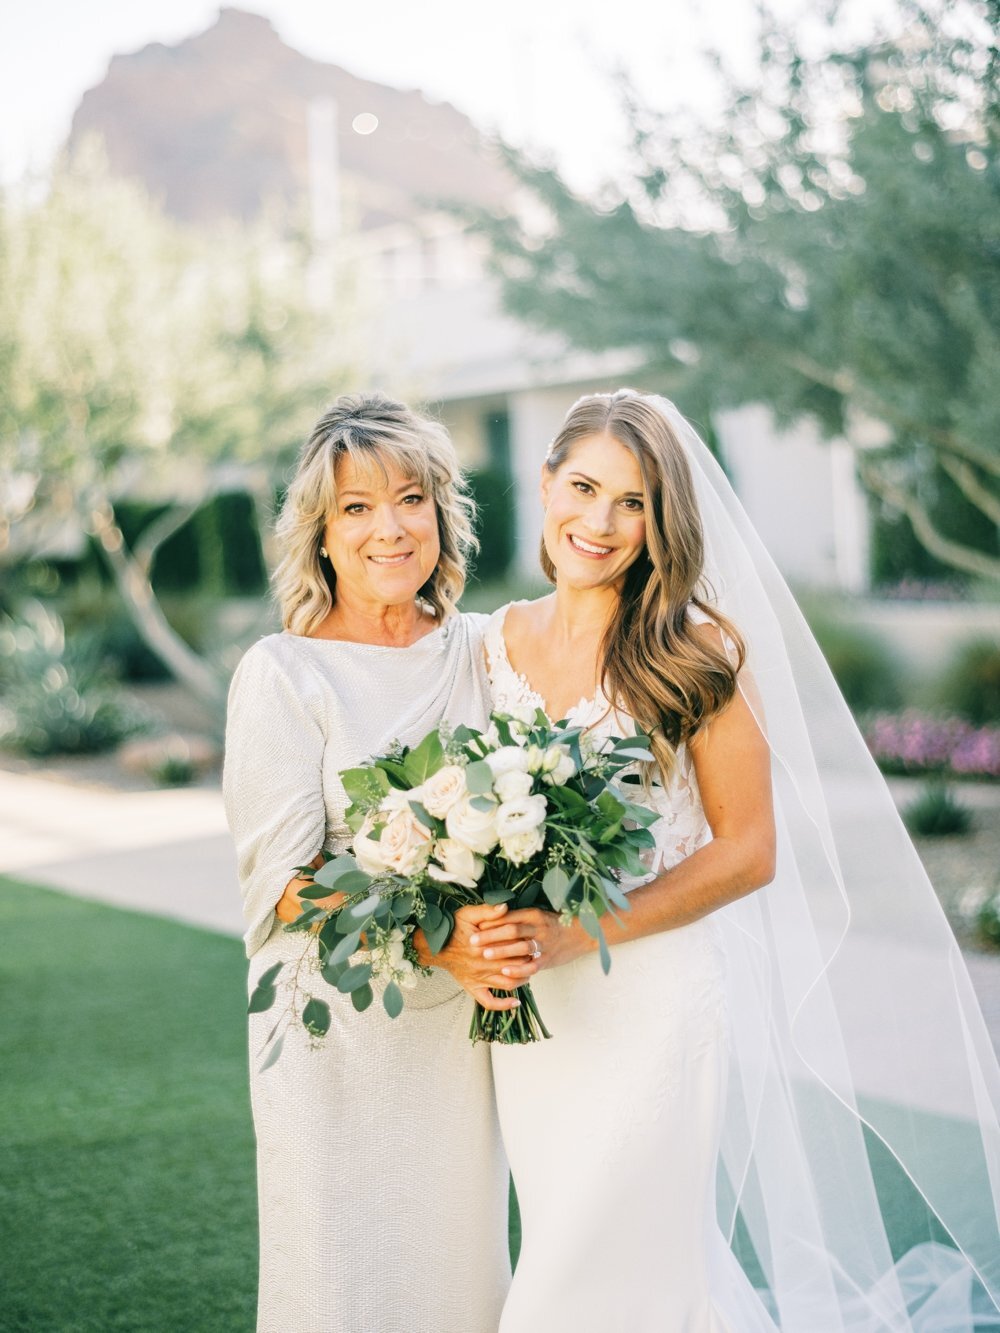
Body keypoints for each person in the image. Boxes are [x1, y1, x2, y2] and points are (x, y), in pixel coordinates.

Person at [472, 389, 1000, 1332]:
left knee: (593, 1273)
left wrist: (573, 932)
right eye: (584, 486)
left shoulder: (695, 652)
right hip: (535, 1019)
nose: (599, 521)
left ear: (663, 521)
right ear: (544, 482)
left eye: (632, 502)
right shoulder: (484, 645)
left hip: (652, 1003)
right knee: (568, 1242)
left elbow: (749, 851)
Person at [222, 392, 517, 1333]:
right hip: (340, 1032)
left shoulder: (485, 653)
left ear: (442, 512)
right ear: (319, 533)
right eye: (356, 507)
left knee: (458, 1274)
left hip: (458, 1038)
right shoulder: (284, 672)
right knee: (342, 1277)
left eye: (411, 498)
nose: (390, 527)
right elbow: (285, 885)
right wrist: (442, 948)